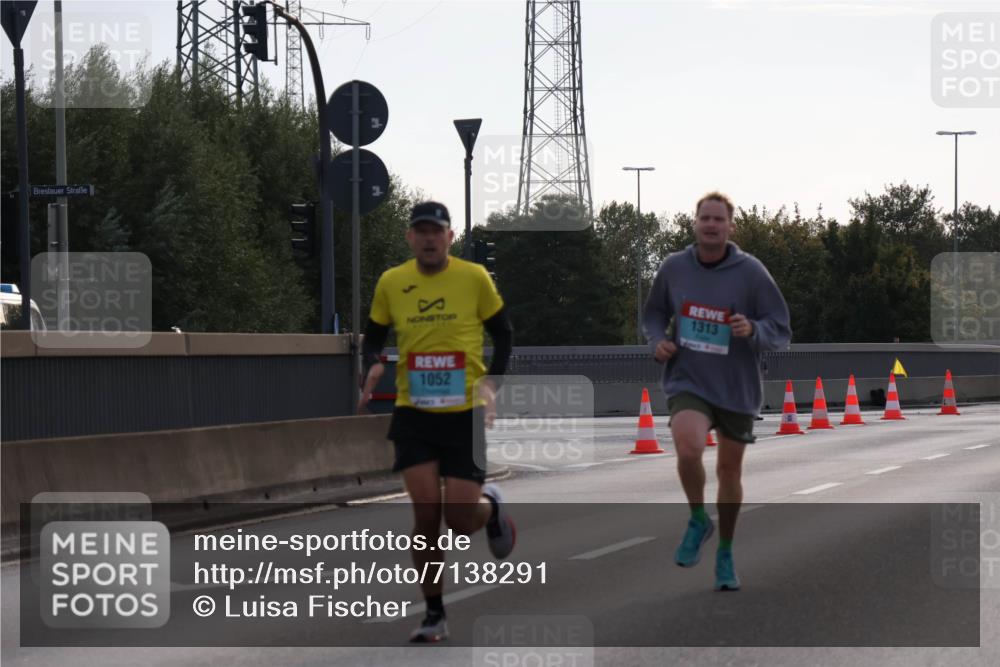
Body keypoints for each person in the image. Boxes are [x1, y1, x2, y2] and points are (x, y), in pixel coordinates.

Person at [357, 201, 516, 642]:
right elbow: (373, 335)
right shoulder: (392, 282)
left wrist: (491, 386)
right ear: (410, 238)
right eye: (420, 231)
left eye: (436, 231)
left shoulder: (474, 278)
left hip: (464, 412)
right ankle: (434, 614)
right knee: (426, 514)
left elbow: (503, 333)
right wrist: (373, 363)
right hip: (414, 413)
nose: (429, 238)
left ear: (449, 237)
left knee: (460, 520)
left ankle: (494, 508)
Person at [643, 191, 791, 591]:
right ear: (694, 223)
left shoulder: (751, 273)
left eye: (718, 219)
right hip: (688, 378)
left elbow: (780, 327)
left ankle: (725, 550)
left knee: (729, 470)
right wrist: (657, 339)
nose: (711, 225)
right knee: (688, 447)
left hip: (736, 385)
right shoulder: (674, 268)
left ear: (730, 226)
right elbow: (654, 313)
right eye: (704, 218)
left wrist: (753, 330)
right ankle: (696, 517)